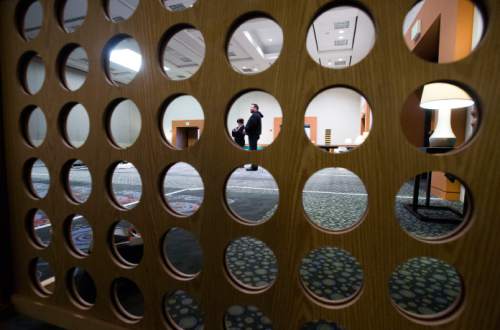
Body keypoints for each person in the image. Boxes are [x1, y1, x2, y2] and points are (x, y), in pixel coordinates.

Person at [245, 103, 263, 171]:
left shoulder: (255, 115)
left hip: (253, 135)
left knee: (253, 151)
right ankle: (254, 166)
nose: (250, 108)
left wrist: (245, 129)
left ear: (255, 108)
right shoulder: (257, 115)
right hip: (254, 135)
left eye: (252, 107)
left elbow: (251, 124)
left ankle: (254, 167)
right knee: (253, 150)